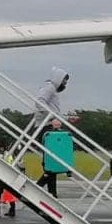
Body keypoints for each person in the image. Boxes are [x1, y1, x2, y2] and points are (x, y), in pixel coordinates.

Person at [32, 68, 70, 197]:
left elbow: (53, 111)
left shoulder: (51, 90)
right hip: (46, 128)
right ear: (58, 78)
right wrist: (52, 117)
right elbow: (39, 102)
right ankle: (38, 188)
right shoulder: (49, 88)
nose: (64, 84)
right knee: (52, 161)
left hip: (48, 126)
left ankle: (52, 193)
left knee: (51, 162)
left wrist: (65, 118)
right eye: (64, 81)